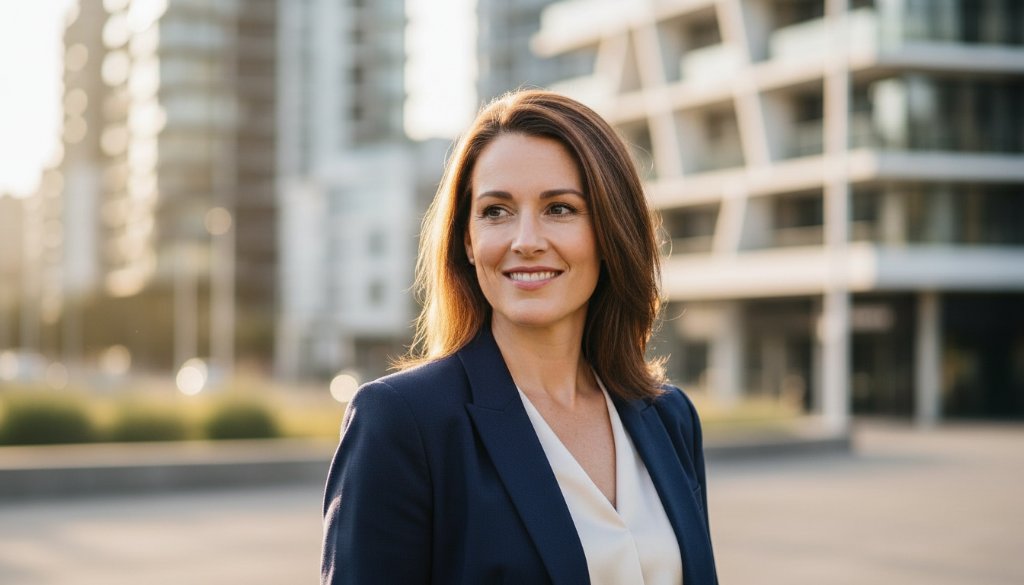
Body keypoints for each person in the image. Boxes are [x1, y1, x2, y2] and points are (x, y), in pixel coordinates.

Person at [321, 90, 717, 585]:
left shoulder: (668, 417)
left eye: (560, 208)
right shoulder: (404, 422)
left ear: (611, 230)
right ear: (467, 239)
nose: (526, 240)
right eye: (495, 211)